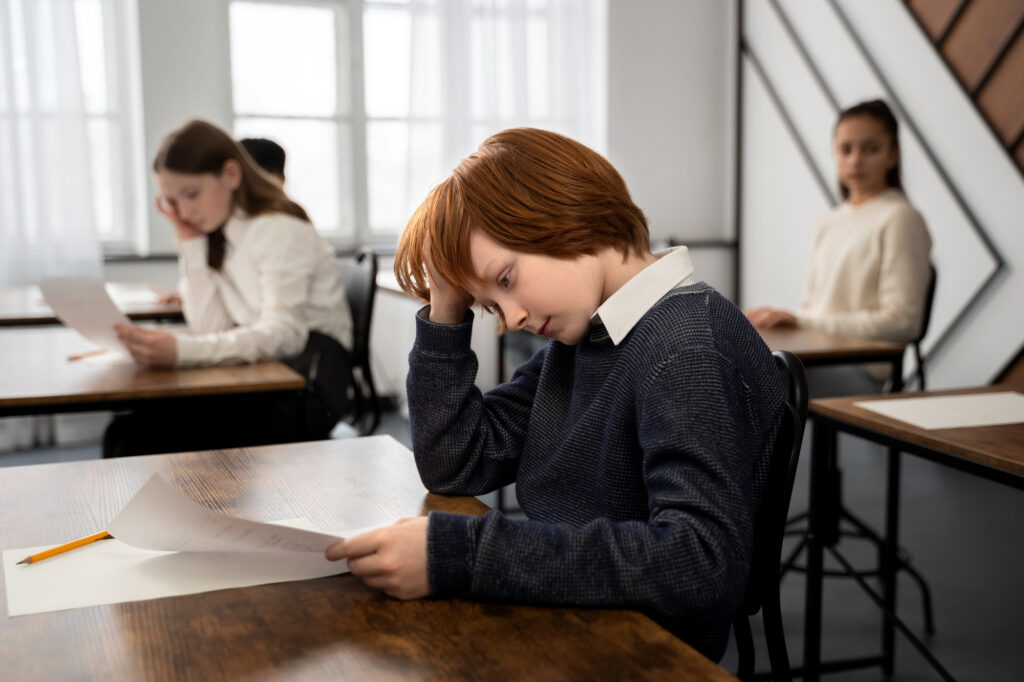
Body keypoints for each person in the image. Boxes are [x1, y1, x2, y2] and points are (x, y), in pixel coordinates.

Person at [323, 128, 785, 662]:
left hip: (634, 651)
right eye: (490, 305)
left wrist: (462, 555)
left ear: (566, 214)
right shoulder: (592, 336)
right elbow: (456, 461)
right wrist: (448, 306)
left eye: (507, 278)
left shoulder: (682, 345)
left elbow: (702, 564)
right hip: (572, 617)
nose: (512, 316)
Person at [103, 119, 353, 457]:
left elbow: (286, 334)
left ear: (231, 175)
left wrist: (181, 351)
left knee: (138, 439)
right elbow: (211, 327)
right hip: (264, 374)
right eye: (173, 202)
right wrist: (188, 239)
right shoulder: (219, 232)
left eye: (191, 195)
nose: (185, 211)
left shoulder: (279, 230)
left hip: (307, 387)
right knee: (127, 429)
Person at [745, 99, 932, 395]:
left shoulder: (901, 218)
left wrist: (801, 321)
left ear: (893, 155)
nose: (856, 160)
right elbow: (815, 311)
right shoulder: (829, 222)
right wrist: (790, 324)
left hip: (860, 369)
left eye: (871, 149)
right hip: (817, 356)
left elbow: (902, 322)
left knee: (757, 376)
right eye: (846, 149)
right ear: (835, 154)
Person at [157, 136, 288, 308]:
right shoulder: (225, 228)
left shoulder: (282, 228)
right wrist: (186, 293)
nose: (186, 211)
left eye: (192, 194)